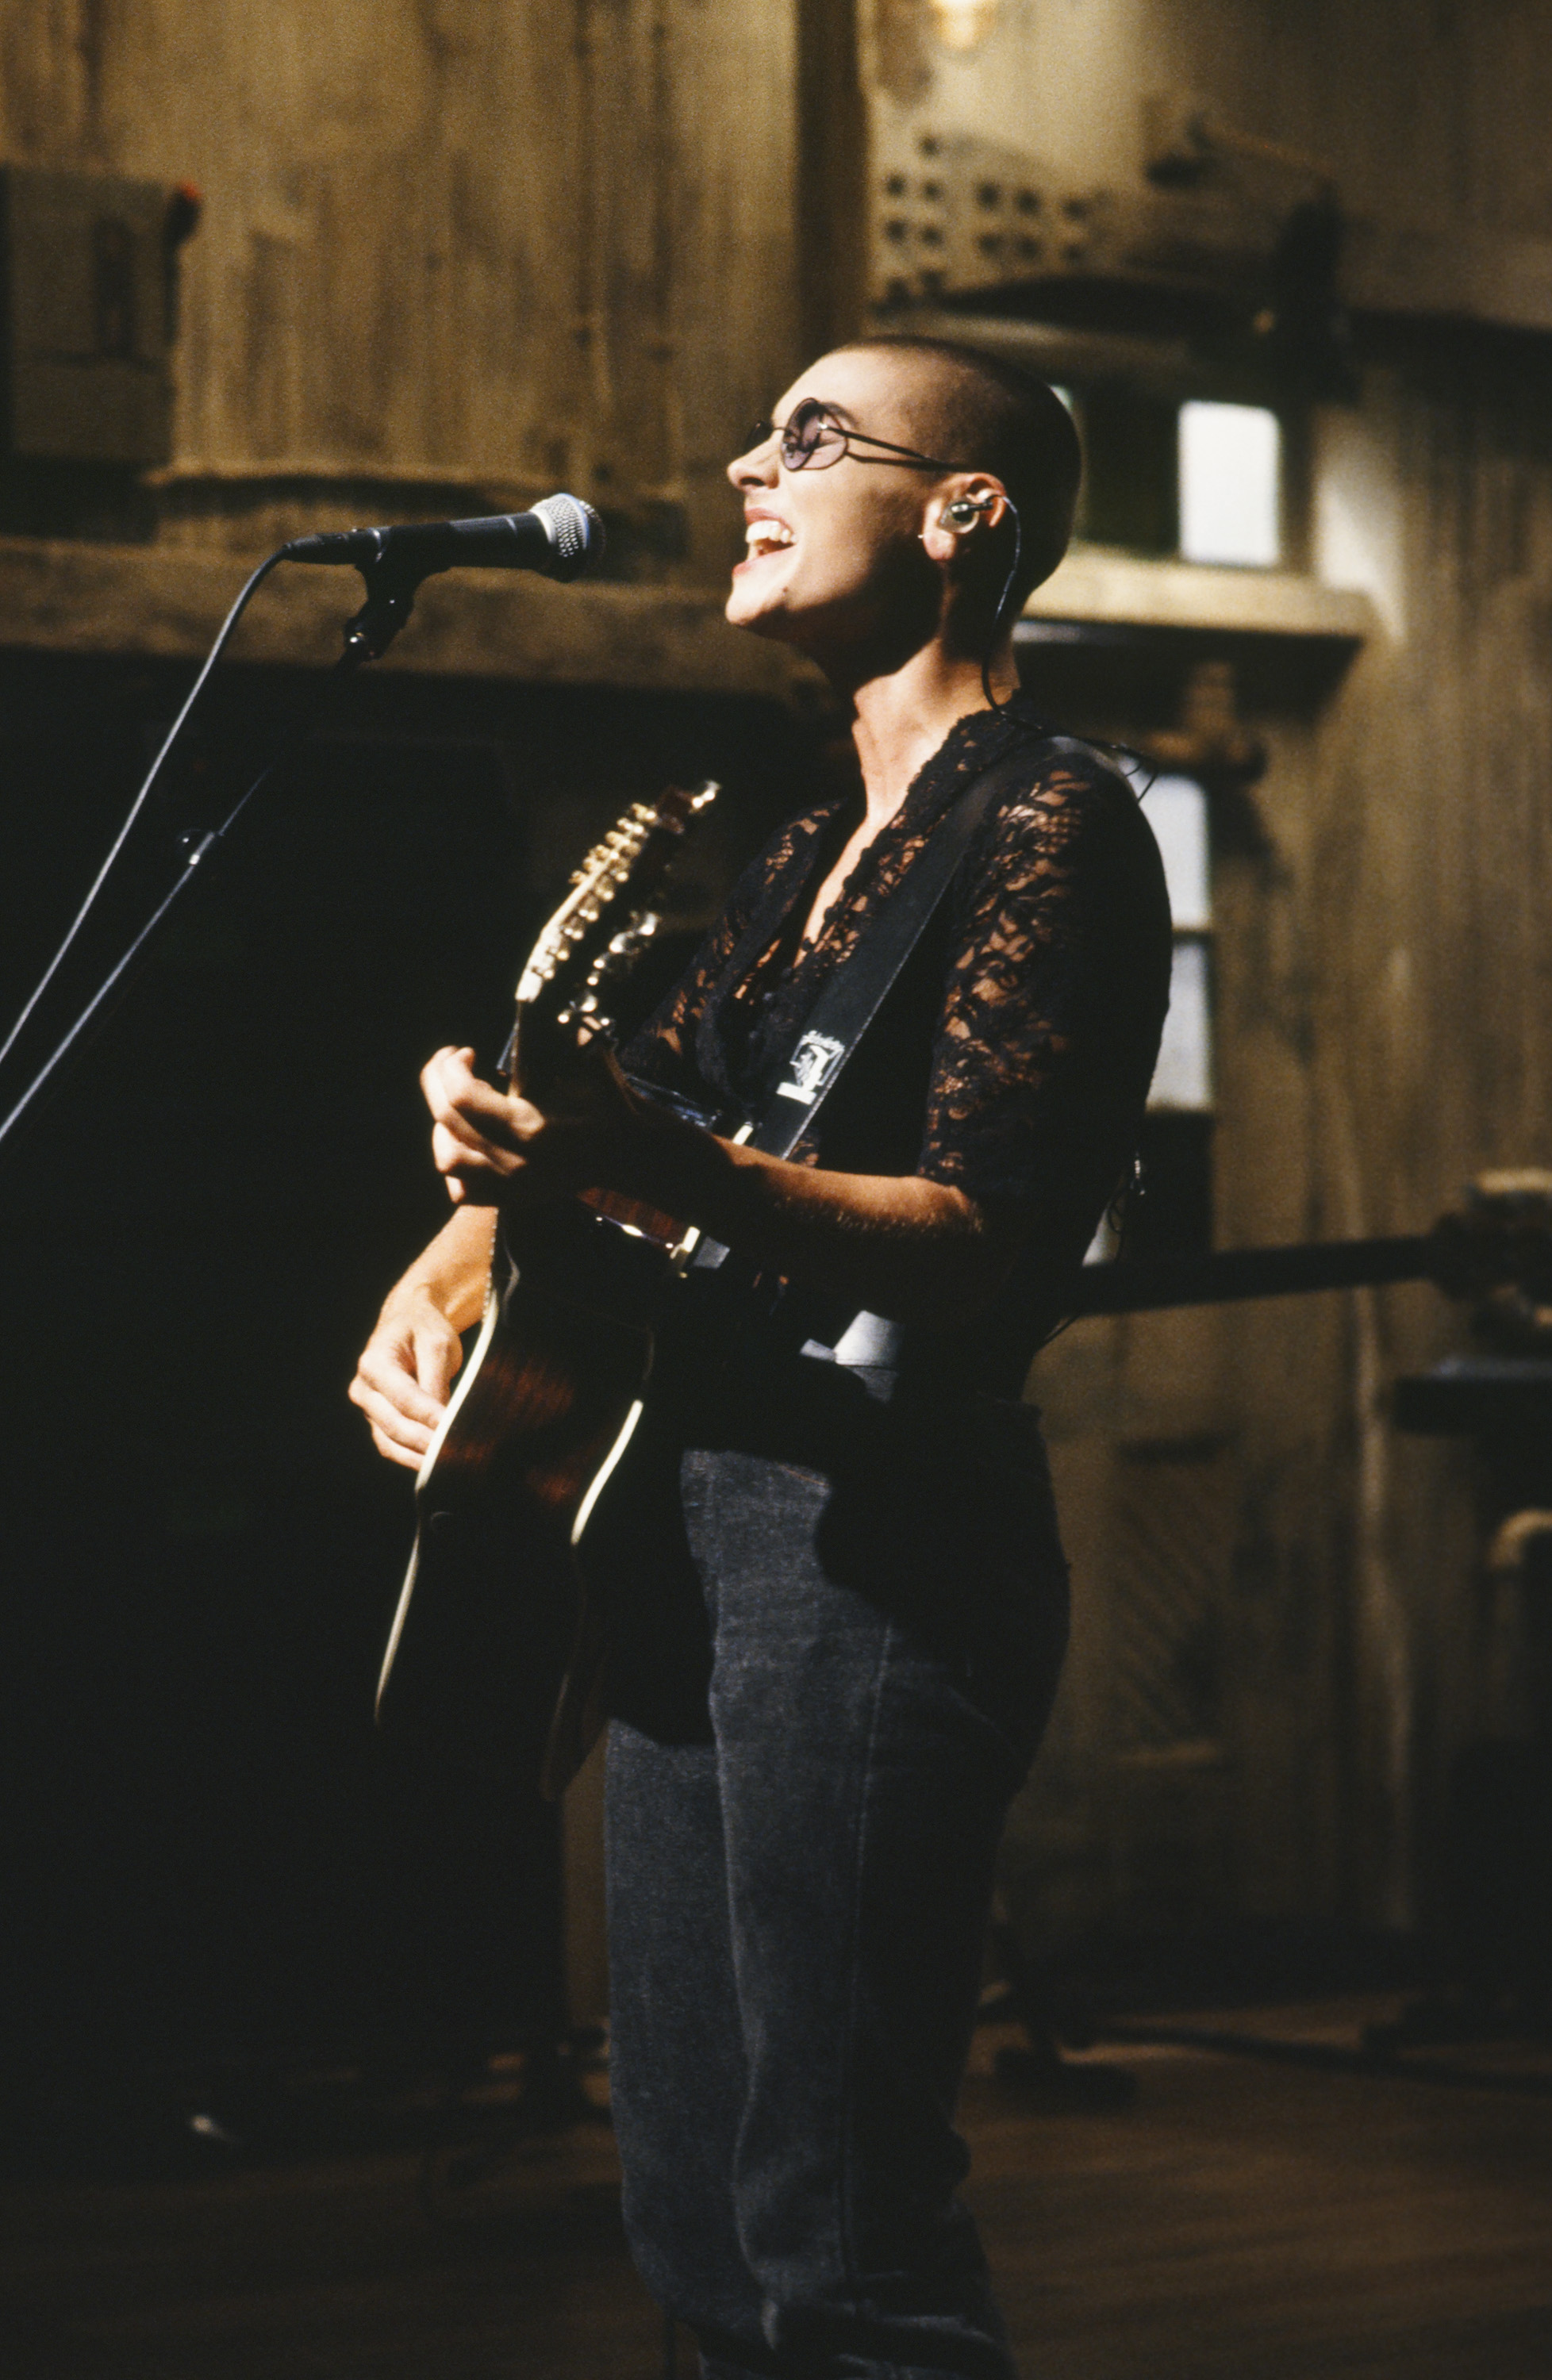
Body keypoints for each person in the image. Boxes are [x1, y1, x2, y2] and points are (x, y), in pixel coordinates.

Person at [351, 336, 1173, 2380]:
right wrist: (469, 1229)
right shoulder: (807, 853)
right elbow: (636, 1116)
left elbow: (986, 1239)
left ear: (964, 518)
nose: (746, 464)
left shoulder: (1055, 824)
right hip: (694, 1535)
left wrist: (664, 1167)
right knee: (698, 2217)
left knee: (841, 2234)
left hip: (882, 1541)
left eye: (813, 440)